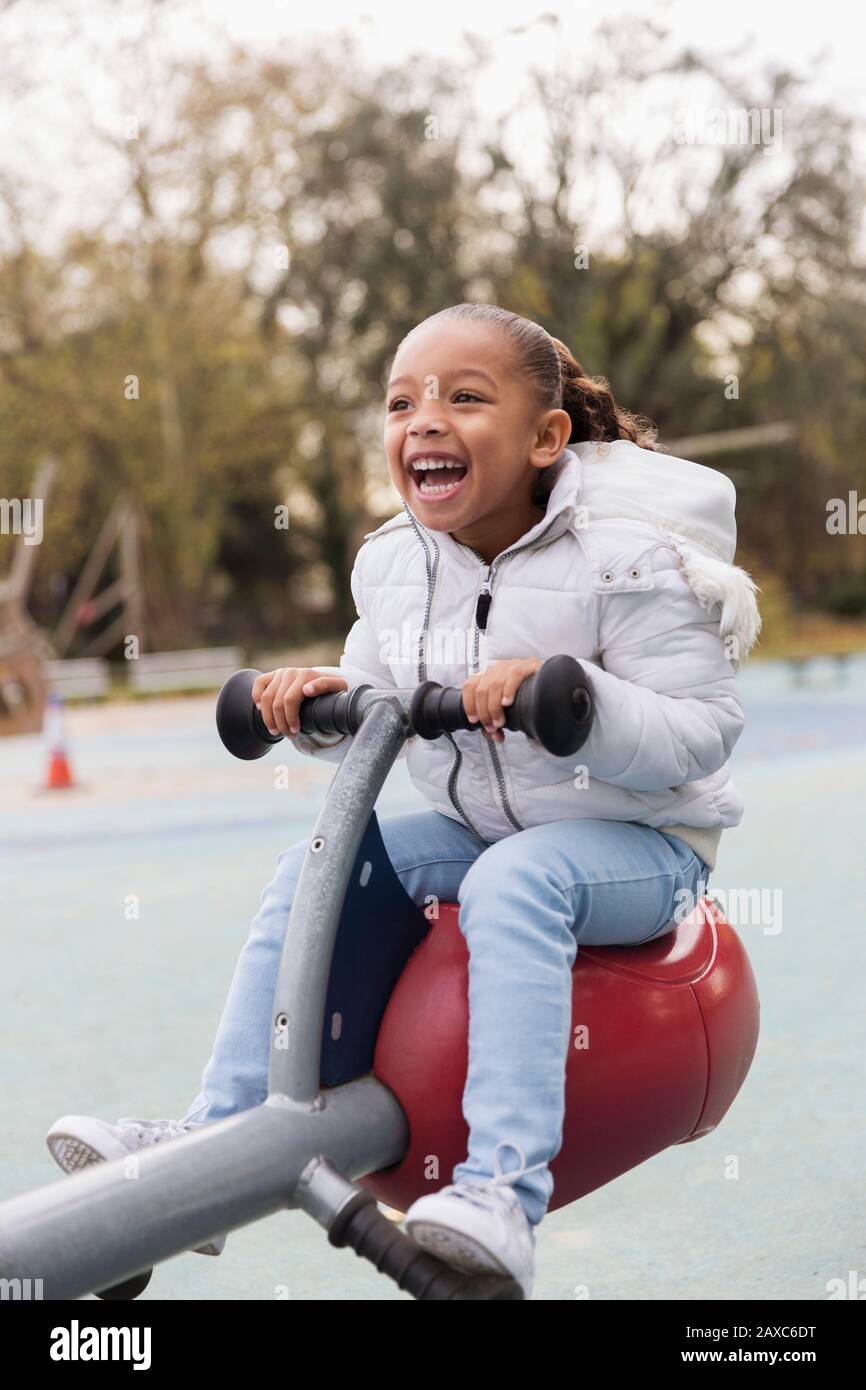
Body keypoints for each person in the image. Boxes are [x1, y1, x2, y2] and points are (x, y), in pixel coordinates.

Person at [46, 303, 761, 1299]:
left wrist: (570, 698)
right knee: (320, 867)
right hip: (477, 830)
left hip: (639, 843)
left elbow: (699, 727)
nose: (423, 419)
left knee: (519, 876)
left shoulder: (628, 556)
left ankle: (498, 1197)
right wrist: (307, 704)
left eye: (465, 398)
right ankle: (210, 1138)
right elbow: (371, 693)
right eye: (401, 402)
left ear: (546, 437)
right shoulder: (392, 564)